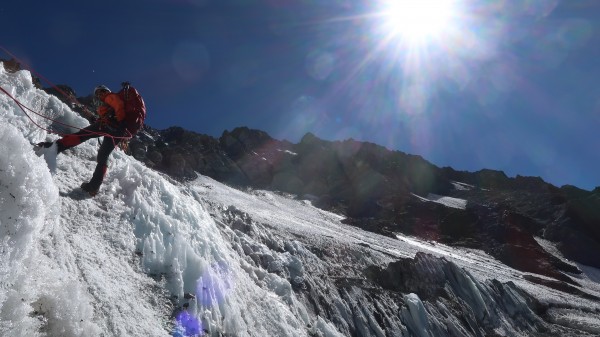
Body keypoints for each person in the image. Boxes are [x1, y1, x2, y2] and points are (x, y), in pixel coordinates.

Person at [37, 85, 133, 196]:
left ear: (104, 91)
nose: (98, 95)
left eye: (99, 92)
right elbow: (111, 114)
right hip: (116, 131)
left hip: (110, 127)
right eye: (97, 94)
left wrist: (120, 123)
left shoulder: (109, 96)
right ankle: (94, 187)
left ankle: (54, 147)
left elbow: (119, 106)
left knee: (81, 135)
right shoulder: (107, 103)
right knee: (103, 155)